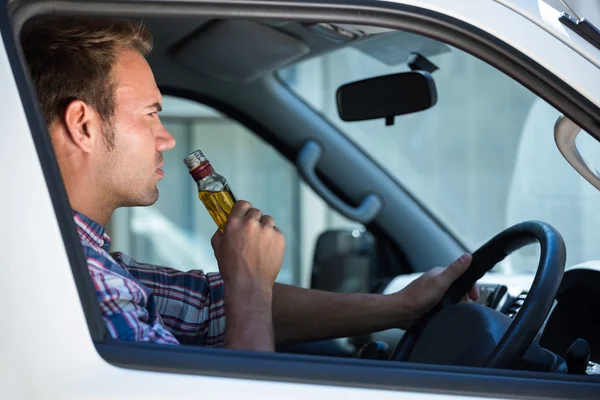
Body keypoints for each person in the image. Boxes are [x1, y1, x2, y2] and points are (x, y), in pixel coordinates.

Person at [21, 16, 478, 351]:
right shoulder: (90, 288)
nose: (167, 137)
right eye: (151, 114)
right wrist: (250, 287)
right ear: (82, 125)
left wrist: (401, 306)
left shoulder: (84, 262)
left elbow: (206, 307)